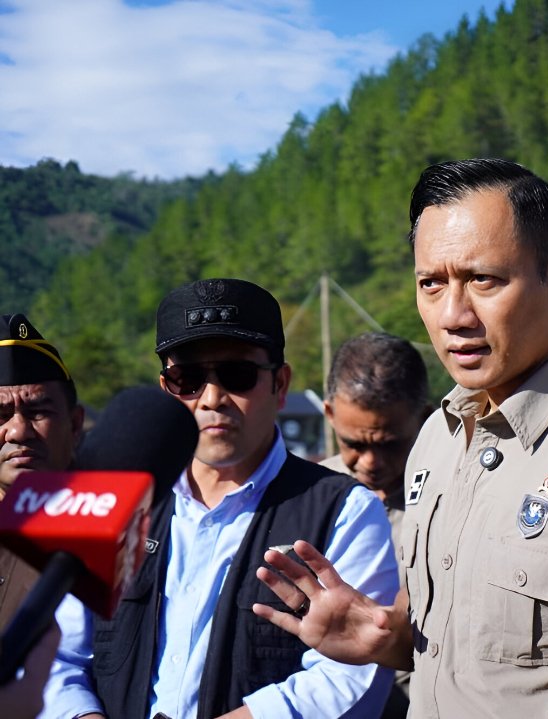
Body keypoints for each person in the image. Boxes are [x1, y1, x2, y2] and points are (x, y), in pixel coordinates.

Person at [254, 158, 548, 717]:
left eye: (483, 280)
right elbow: (466, 652)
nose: (453, 315)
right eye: (430, 284)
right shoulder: (438, 436)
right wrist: (382, 639)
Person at [42, 279, 399, 719]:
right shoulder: (113, 500)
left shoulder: (344, 510)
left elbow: (351, 678)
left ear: (280, 384)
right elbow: (59, 656)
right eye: (187, 379)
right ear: (165, 389)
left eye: (237, 375)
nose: (212, 398)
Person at [321, 331, 430, 719]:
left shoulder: (447, 502)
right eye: (354, 444)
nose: (370, 462)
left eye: (388, 444)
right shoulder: (315, 496)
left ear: (426, 418)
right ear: (330, 414)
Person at [0, 313, 83, 631]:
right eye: (1, 414)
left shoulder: (117, 534)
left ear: (75, 425)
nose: (19, 431)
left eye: (37, 411)